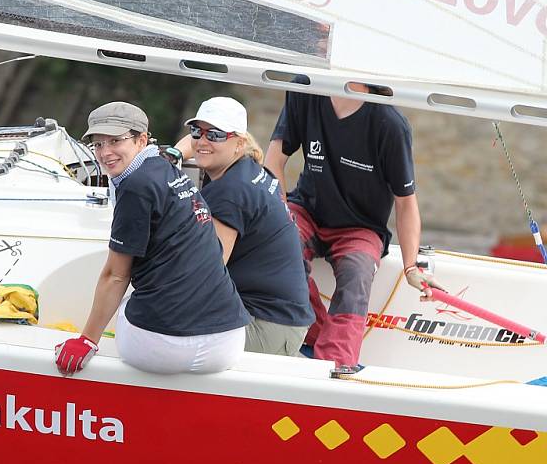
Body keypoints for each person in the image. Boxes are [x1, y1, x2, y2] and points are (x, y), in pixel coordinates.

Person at [55, 101, 250, 376]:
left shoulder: (136, 186)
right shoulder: (167, 168)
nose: (104, 153)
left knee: (125, 303)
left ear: (141, 140)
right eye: (97, 145)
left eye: (115, 141)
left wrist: (87, 339)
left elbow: (116, 276)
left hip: (162, 349)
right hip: (227, 343)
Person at [264, 83, 443, 368]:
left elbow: (406, 202)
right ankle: (314, 336)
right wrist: (278, 218)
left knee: (357, 274)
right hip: (306, 210)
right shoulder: (305, 88)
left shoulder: (390, 125)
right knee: (278, 247)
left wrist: (411, 267)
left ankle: (336, 364)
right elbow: (274, 161)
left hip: (360, 227)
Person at [174, 97, 314, 356]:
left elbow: (205, 273)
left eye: (215, 134)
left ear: (239, 143)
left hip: (266, 326)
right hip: (285, 321)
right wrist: (177, 152)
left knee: (157, 329)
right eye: (197, 131)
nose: (203, 141)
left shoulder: (230, 192)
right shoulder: (250, 170)